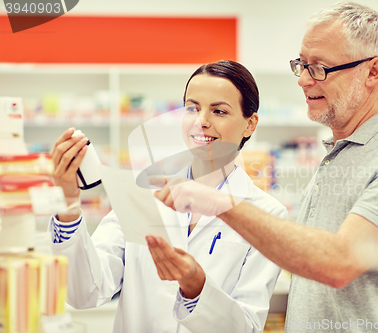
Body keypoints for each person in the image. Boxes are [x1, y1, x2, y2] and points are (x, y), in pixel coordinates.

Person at [153, 2, 378, 332]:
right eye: (302, 65)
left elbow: (339, 262)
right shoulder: (335, 156)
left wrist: (222, 204)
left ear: (372, 72)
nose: (304, 81)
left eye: (320, 67)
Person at [49, 60, 288, 333]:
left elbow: (246, 327)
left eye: (219, 111)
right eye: (192, 108)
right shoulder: (143, 194)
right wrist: (67, 205)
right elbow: (84, 292)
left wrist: (196, 286)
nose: (202, 121)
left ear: (250, 124)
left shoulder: (268, 214)